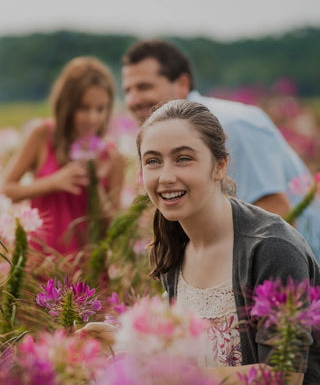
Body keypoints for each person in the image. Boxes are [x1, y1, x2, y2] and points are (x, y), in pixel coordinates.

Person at [136, 99, 320, 384]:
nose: (166, 177)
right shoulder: (173, 243)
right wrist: (127, 343)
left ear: (219, 166)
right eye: (152, 161)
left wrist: (176, 375)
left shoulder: (273, 249)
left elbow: (285, 376)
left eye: (183, 158)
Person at [121, 39, 320, 262]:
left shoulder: (235, 124)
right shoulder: (167, 136)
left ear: (182, 84)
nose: (133, 100)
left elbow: (277, 214)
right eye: (127, 90)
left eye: (144, 87)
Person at [1, 56, 125, 256]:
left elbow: (114, 229)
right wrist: (54, 182)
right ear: (67, 104)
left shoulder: (112, 157)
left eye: (101, 109)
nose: (93, 117)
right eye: (84, 107)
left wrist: (95, 183)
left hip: (86, 268)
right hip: (39, 260)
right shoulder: (43, 135)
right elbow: (6, 189)